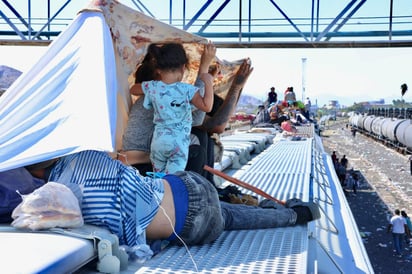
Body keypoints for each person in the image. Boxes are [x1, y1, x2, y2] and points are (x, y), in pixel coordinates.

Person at [25, 150, 321, 258]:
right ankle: (286, 210)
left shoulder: (51, 198)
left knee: (225, 219)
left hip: (188, 226)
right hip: (188, 185)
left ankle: (292, 216)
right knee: (220, 210)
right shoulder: (87, 154)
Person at [129, 42, 215, 174]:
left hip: (155, 148)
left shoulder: (153, 89)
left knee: (160, 179)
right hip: (148, 157)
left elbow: (133, 89)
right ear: (183, 68)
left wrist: (155, 87)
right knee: (191, 160)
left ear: (158, 69)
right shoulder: (181, 92)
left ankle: (159, 191)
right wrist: (207, 78)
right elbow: (203, 111)